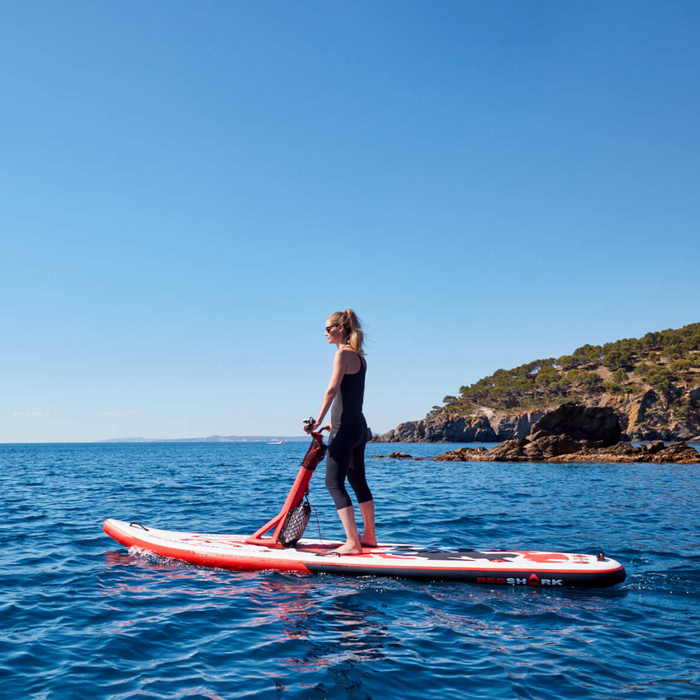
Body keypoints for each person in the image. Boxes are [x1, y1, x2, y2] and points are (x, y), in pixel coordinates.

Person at [305, 308, 376, 555]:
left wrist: (317, 421)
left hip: (345, 428)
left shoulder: (342, 355)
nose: (325, 333)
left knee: (333, 483)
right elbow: (351, 399)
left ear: (341, 328)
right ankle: (369, 536)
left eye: (328, 328)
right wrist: (329, 424)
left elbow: (332, 390)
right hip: (358, 427)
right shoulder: (360, 357)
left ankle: (353, 543)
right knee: (358, 481)